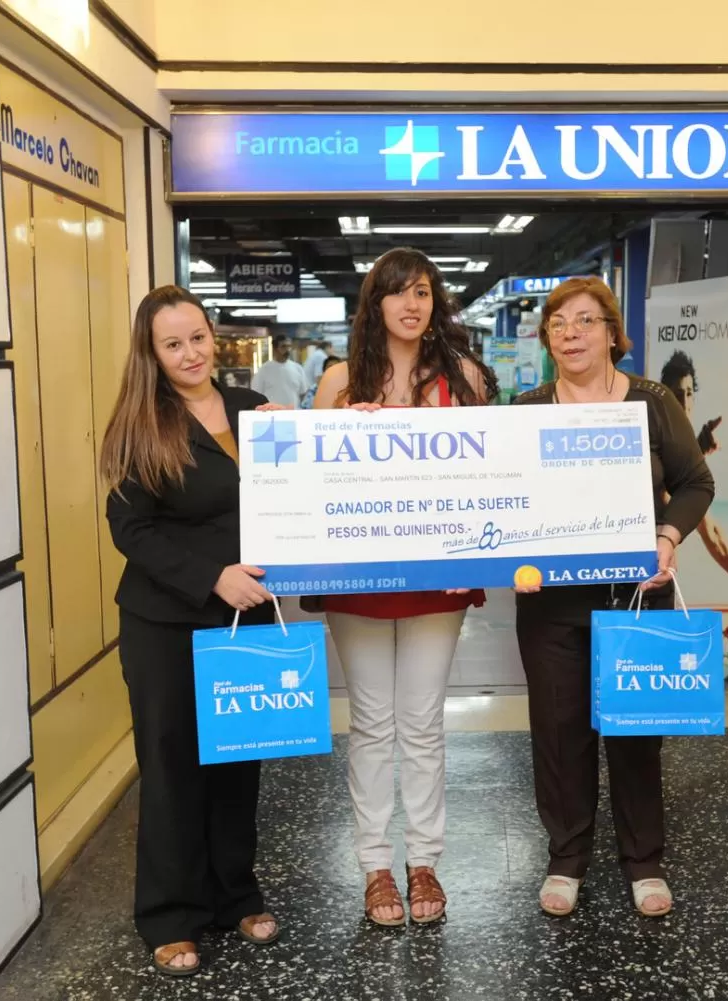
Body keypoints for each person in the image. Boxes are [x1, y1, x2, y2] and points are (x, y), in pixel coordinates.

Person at [513, 277, 714, 920]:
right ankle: (566, 858)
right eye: (557, 323)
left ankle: (644, 862)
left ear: (611, 333)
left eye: (584, 320)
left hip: (635, 598)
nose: (570, 333)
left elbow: (695, 482)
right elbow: (501, 494)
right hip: (549, 605)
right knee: (559, 734)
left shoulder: (652, 402)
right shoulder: (525, 409)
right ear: (547, 338)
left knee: (635, 735)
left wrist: (667, 535)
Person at [314, 248, 498, 927]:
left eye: (422, 291)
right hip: (358, 576)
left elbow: (490, 474)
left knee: (421, 720)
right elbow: (311, 480)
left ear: (435, 301)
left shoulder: (464, 376)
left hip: (438, 575)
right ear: (376, 304)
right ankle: (374, 866)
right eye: (397, 292)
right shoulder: (339, 381)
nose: (411, 304)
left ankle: (424, 861)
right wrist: (338, 434)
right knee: (372, 721)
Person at [100, 285, 280, 977]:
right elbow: (130, 529)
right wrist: (211, 576)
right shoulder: (141, 423)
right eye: (172, 344)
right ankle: (170, 915)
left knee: (238, 759)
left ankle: (236, 895)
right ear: (152, 353)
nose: (190, 353)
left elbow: (299, 488)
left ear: (213, 336)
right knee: (172, 765)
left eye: (198, 337)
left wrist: (329, 433)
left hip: (244, 615)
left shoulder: (252, 410)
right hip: (167, 621)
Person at [660, 350, 728, 604]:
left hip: (664, 584)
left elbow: (711, 533)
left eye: (689, 393)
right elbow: (663, 501)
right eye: (677, 394)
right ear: (665, 397)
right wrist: (698, 453)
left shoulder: (684, 455)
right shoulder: (653, 441)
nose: (684, 402)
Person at [252, 334, 308, 407]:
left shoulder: (298, 368)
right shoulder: (264, 370)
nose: (287, 350)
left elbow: (303, 393)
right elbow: (256, 395)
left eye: (289, 346)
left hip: (293, 412)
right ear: (275, 349)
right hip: (272, 412)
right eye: (283, 346)